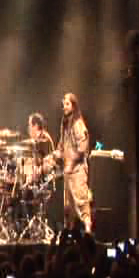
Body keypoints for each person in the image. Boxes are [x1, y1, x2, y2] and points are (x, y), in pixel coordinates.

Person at [54, 93, 93, 234]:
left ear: (73, 106)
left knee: (81, 203)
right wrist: (55, 156)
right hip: (68, 172)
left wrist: (71, 162)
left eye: (67, 104)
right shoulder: (65, 124)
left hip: (78, 171)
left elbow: (83, 148)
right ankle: (68, 235)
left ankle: (88, 232)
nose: (64, 107)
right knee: (68, 207)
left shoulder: (78, 124)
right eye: (63, 104)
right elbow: (62, 145)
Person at [26, 112, 55, 185]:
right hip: (39, 176)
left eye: (30, 125)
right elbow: (34, 160)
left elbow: (49, 163)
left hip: (47, 179)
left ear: (36, 126)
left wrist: (37, 173)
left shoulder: (45, 139)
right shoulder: (36, 139)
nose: (29, 128)